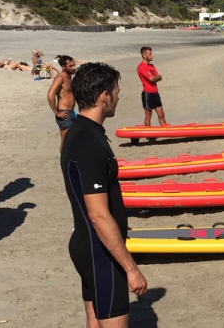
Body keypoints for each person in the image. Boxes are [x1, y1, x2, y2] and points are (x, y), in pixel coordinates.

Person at [60, 62, 147, 328]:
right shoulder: (90, 142)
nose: (118, 98)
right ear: (104, 96)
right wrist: (131, 269)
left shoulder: (76, 132)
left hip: (86, 244)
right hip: (101, 252)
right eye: (116, 92)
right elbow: (98, 215)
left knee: (94, 322)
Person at [46, 55, 78, 151]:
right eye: (71, 66)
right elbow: (50, 96)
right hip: (64, 114)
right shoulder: (60, 78)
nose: (74, 68)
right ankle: (65, 164)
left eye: (74, 65)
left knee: (73, 140)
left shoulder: (69, 77)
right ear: (63, 67)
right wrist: (57, 112)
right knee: (66, 142)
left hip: (71, 112)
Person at [137, 46, 167, 127]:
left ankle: (165, 131)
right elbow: (152, 78)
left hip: (155, 93)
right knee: (148, 115)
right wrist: (157, 77)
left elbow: (158, 77)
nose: (152, 55)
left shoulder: (152, 66)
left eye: (151, 53)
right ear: (144, 55)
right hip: (148, 93)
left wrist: (157, 77)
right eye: (150, 54)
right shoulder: (141, 67)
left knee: (161, 114)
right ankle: (149, 135)